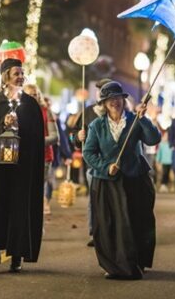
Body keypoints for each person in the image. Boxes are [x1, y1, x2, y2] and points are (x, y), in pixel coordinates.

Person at [83, 81, 160, 279]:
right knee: (109, 225)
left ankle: (136, 262)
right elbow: (88, 153)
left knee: (137, 222)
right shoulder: (97, 125)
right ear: (104, 103)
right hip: (107, 182)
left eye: (117, 98)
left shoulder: (135, 120)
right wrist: (105, 166)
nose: (114, 102)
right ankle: (114, 265)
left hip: (135, 180)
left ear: (123, 100)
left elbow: (153, 139)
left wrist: (144, 119)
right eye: (110, 100)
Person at [0, 58, 44, 273]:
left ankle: (17, 254)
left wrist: (19, 125)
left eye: (21, 73)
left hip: (21, 166)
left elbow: (37, 136)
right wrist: (2, 124)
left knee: (19, 207)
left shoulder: (30, 104)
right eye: (15, 73)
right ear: (6, 76)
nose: (20, 76)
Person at [73, 77, 112, 247]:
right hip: (92, 164)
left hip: (112, 164)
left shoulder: (115, 112)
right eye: (98, 90)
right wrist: (77, 136)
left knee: (112, 199)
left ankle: (111, 232)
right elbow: (72, 133)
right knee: (94, 199)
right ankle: (94, 231)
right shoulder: (87, 111)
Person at [23, 84, 58, 215]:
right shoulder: (17, 111)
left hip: (43, 157)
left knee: (37, 190)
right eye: (30, 94)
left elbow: (55, 137)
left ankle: (35, 220)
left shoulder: (46, 111)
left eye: (36, 94)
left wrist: (36, 142)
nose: (34, 97)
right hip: (23, 157)